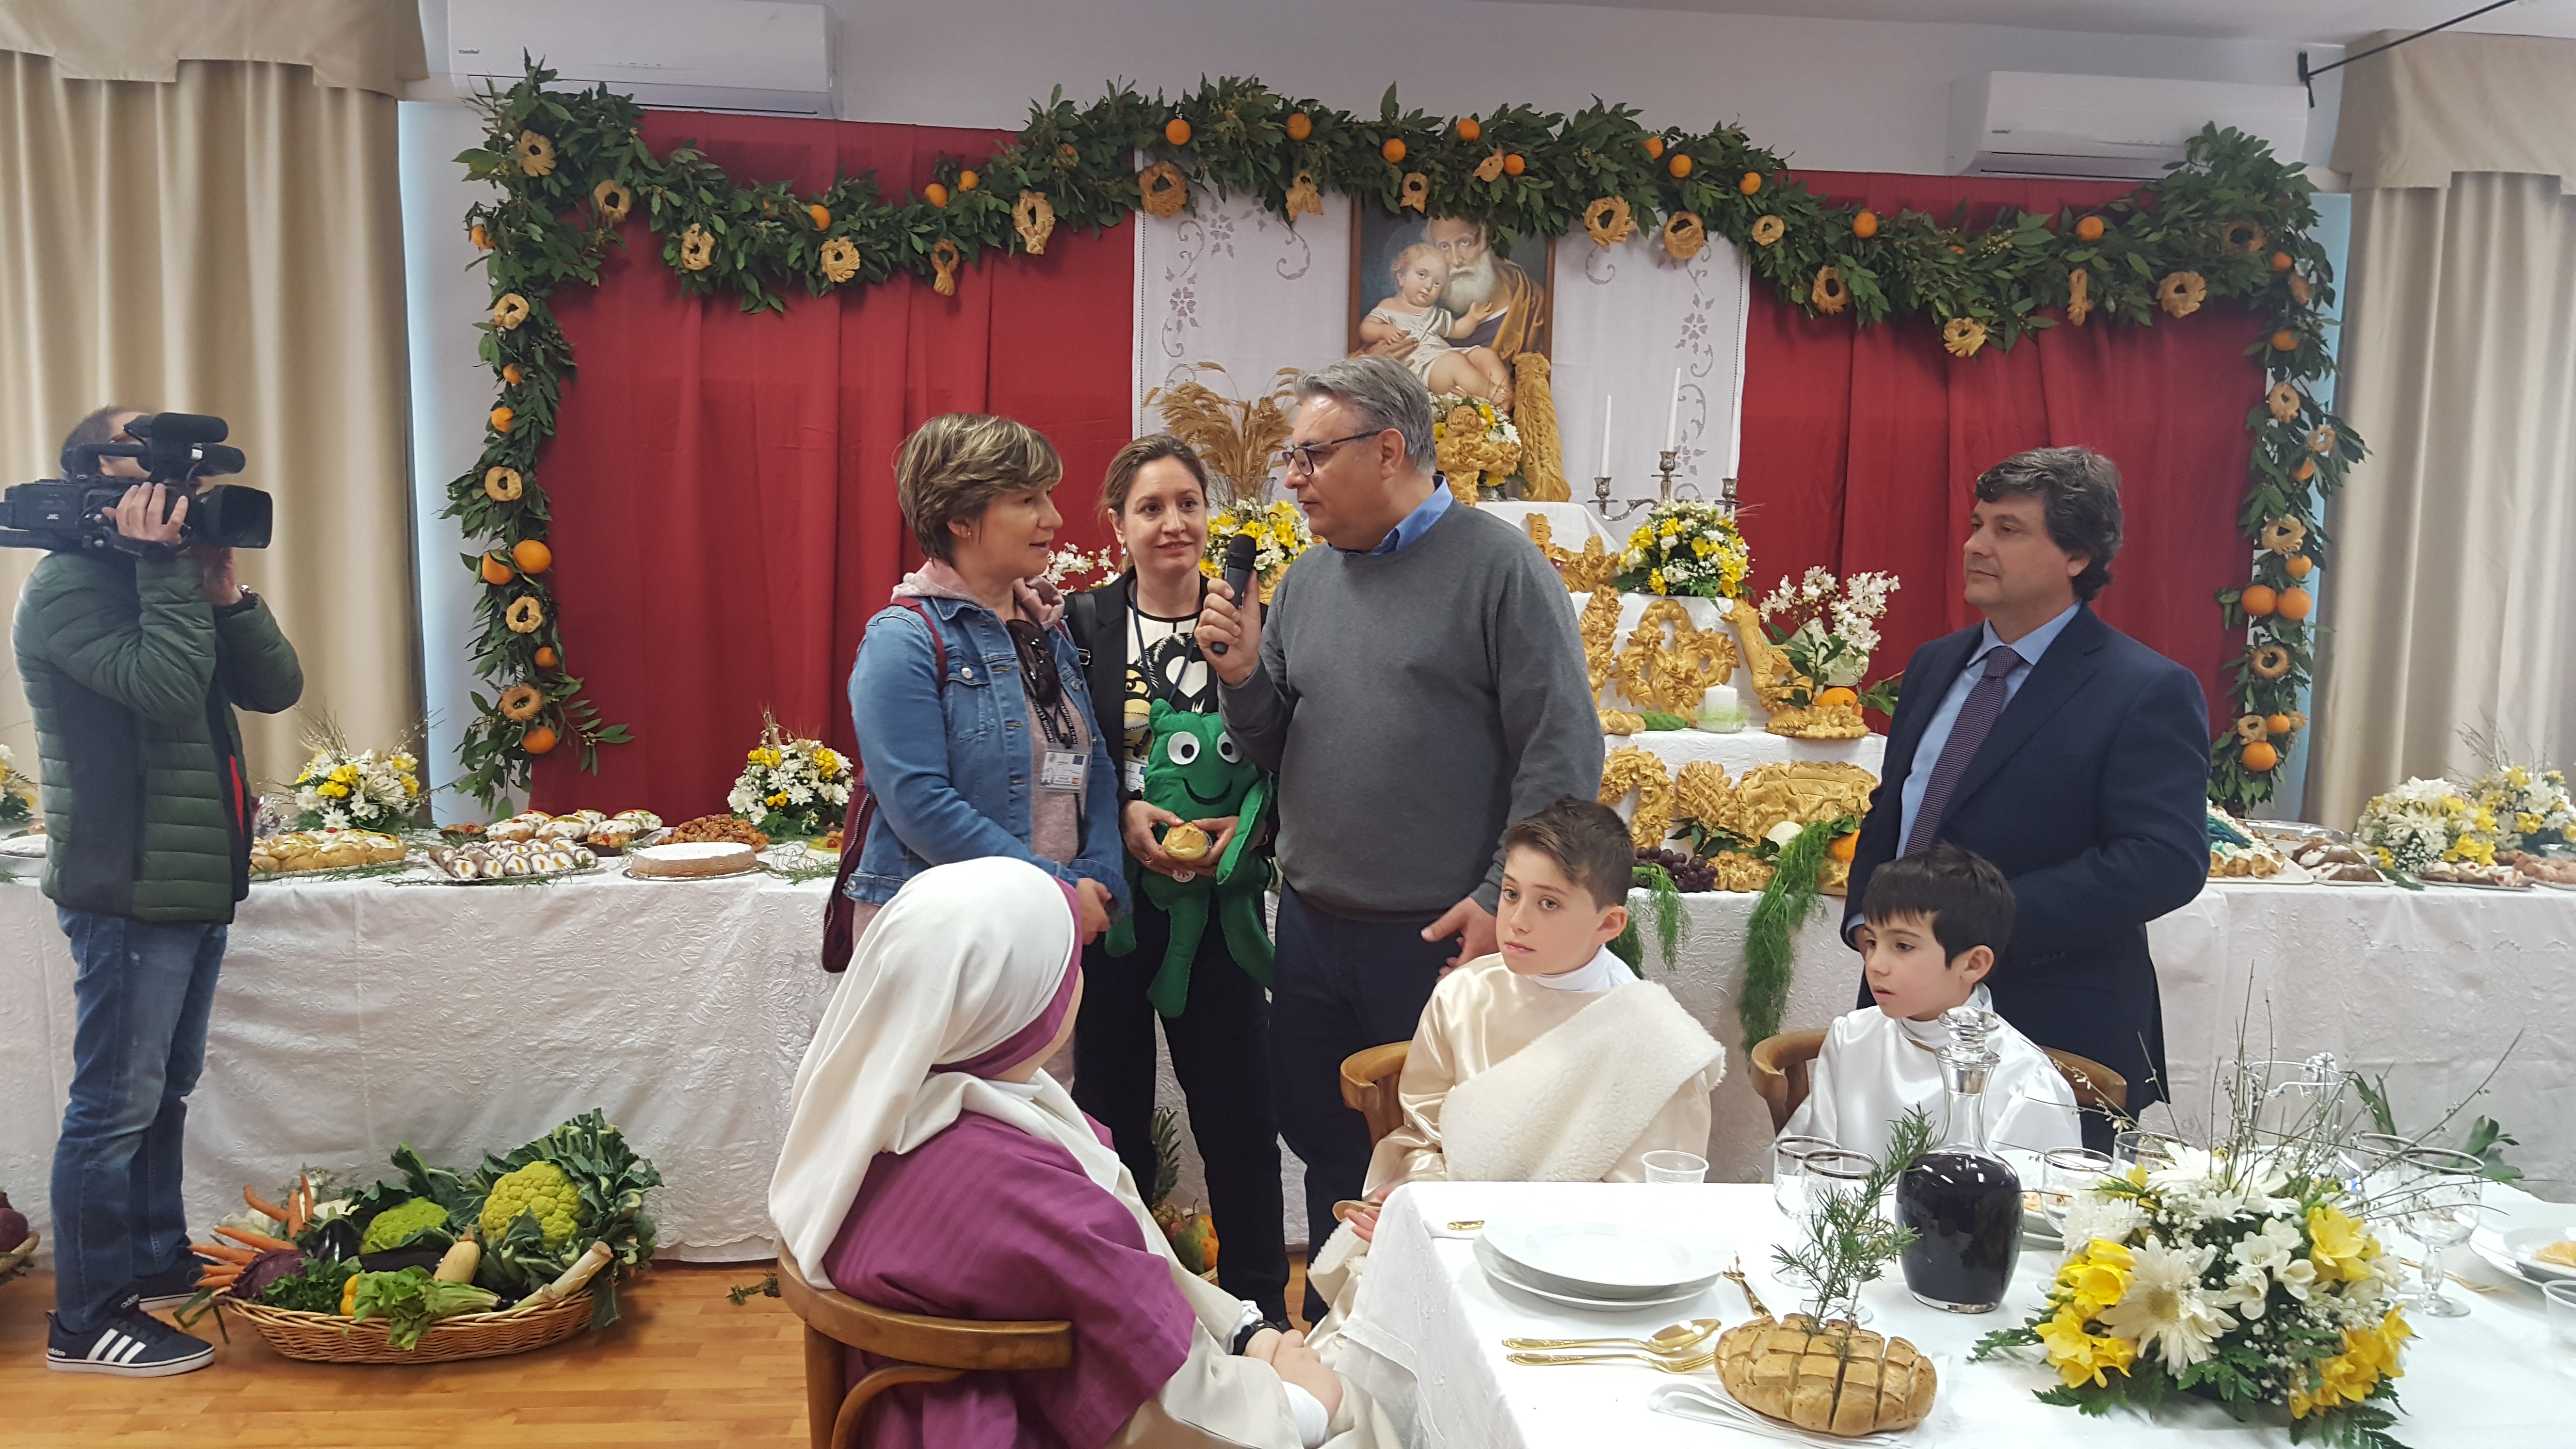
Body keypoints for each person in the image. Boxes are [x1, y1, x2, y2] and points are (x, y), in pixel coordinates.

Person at [1195, 357, 1601, 1320]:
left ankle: (1436, 1349)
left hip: (1438, 938)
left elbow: (1561, 750)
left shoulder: (1499, 568)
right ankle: (1333, 1342)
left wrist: (1504, 895)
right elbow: (1276, 746)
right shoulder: (1306, 581)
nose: (1292, 477)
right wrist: (1244, 677)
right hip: (1312, 928)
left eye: (1311, 455)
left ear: (1387, 450)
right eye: (1292, 457)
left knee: (1437, 1160)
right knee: (1325, 1147)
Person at [770, 857, 1398, 1448]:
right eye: (1070, 966)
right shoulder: (1028, 1195)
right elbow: (1171, 1411)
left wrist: (1245, 1333)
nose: (1079, 982)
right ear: (1017, 999)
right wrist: (1303, 1405)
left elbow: (1135, 1285)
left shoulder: (882, 1112)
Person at [17, 405, 303, 1375]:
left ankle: (149, 1257)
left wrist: (224, 592)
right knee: (112, 1107)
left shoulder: (167, 579)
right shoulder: (65, 589)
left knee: (162, 1092)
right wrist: (164, 575)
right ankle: (85, 1319)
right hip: (126, 880)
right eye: (148, 474)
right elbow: (170, 689)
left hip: (188, 877)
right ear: (93, 483)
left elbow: (274, 688)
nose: (175, 498)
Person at [1840, 446, 2208, 1151]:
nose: (1976, 546)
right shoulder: (1934, 664)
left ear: (2077, 555)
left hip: (2055, 1022)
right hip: (1904, 1020)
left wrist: (1973, 926)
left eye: (2007, 530)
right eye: (1977, 525)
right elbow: (1900, 810)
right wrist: (1871, 923)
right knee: (1875, 1201)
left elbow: (2164, 860)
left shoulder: (2144, 688)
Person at [1307, 799, 1723, 1329]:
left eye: (1548, 904)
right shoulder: (1464, 996)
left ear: (1609, 923)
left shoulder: (1653, 1040)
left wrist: (1491, 1224)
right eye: (1510, 894)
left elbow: (1643, 1207)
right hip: (1451, 1235)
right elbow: (1422, 1139)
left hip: (1576, 1272)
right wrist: (1418, 1196)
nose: (1517, 922)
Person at [1064, 435, 1289, 1324]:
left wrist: (1255, 823)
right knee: (1110, 1116)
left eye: (1187, 503)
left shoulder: (1254, 614)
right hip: (1118, 909)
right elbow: (1064, 755)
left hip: (1222, 911)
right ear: (1116, 525)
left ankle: (1261, 1311)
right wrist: (1121, 812)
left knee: (1239, 1117)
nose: (1173, 523)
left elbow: (1288, 741)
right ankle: (1128, 1311)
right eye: (1150, 507)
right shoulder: (1083, 623)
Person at [843, 413, 1129, 949]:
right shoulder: (901, 640)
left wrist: (1098, 876)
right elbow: (920, 805)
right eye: (1027, 500)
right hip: (945, 938)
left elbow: (1093, 769)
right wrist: (1057, 889)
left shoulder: (1048, 629)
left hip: (1049, 931)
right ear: (960, 518)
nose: (1053, 517)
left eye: (1048, 495)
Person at [1787, 845, 2079, 1162]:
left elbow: (2038, 1191)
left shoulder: (2025, 1081)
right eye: (1872, 942)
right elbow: (1808, 1162)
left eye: (1903, 946)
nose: (1875, 965)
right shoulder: (1852, 1037)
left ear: (1973, 964)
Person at [1358, 244, 1513, 408]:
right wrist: (1384, 330)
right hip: (1425, 370)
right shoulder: (1389, 306)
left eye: (1437, 283)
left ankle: (1505, 400)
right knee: (1454, 362)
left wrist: (1472, 318)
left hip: (1443, 356)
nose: (1429, 286)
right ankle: (1491, 392)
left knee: (1484, 354)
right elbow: (1366, 329)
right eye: (1422, 275)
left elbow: (1458, 330)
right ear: (1401, 277)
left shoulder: (1434, 313)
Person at [1423, 217, 1547, 360]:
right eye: (1444, 247)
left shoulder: (1532, 303)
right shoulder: (1424, 310)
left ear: (1486, 240)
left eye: (1465, 243)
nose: (1456, 261)